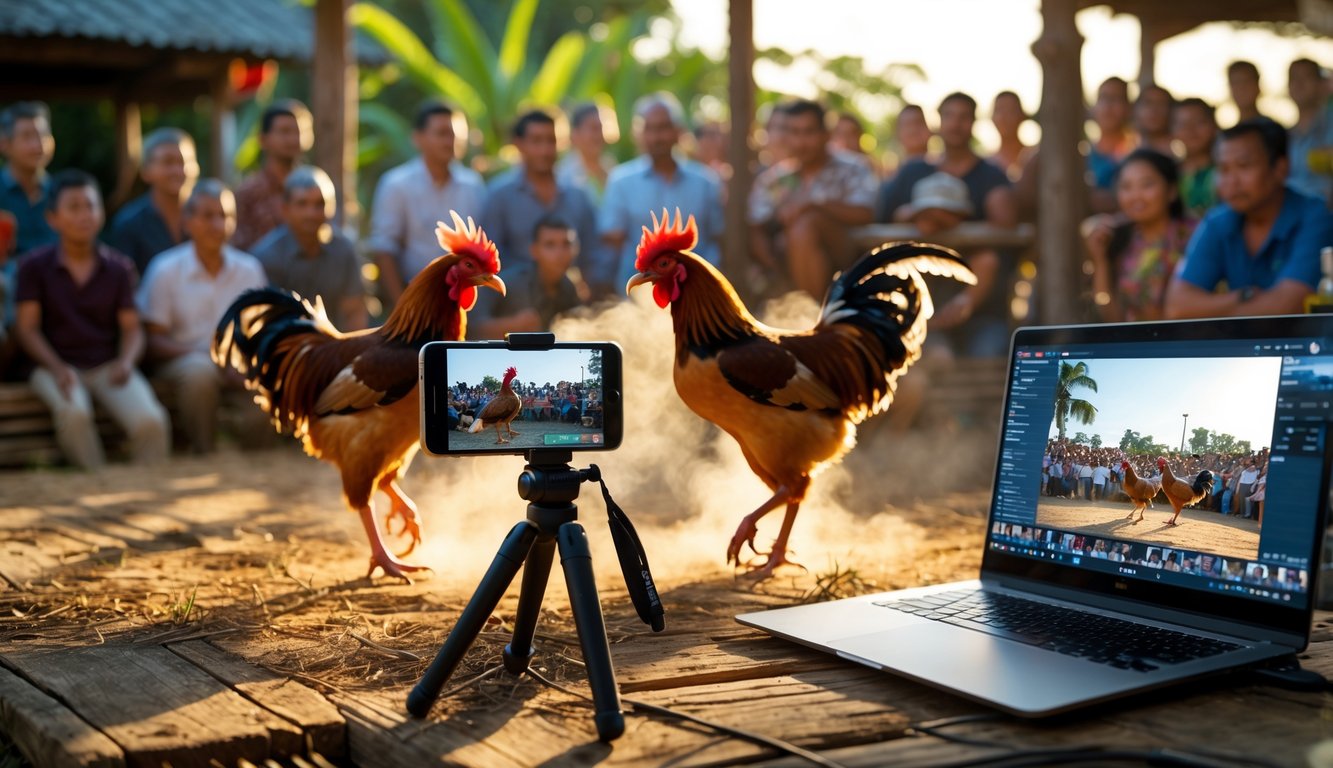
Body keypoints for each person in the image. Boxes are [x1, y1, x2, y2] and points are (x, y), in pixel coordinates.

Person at [13, 170, 169, 468]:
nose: (85, 215)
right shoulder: (33, 266)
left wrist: (126, 362)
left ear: (101, 213)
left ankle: (148, 485)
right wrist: (57, 368)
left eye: (91, 206)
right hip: (52, 366)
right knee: (75, 415)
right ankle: (94, 482)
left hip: (107, 365)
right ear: (52, 218)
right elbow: (26, 329)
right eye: (74, 207)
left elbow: (132, 328)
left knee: (151, 421)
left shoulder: (119, 268)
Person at [876, 92, 1017, 357]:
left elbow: (1005, 223)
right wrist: (910, 216)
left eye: (963, 117)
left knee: (988, 358)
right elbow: (883, 218)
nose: (956, 124)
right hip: (921, 306)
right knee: (931, 360)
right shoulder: (912, 172)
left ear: (974, 122)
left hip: (983, 313)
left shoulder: (991, 174)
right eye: (949, 116)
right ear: (938, 121)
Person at [138, 180, 267, 454]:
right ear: (187, 222)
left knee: (266, 376)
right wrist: (209, 357)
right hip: (184, 360)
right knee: (200, 372)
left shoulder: (249, 270)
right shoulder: (165, 270)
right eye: (208, 216)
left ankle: (257, 457)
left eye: (225, 216)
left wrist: (244, 361)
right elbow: (154, 341)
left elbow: (260, 334)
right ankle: (204, 453)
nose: (218, 225)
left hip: (237, 362)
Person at [1165, 118, 1333, 319]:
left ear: (1281, 168)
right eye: (1223, 169)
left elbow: (1286, 308)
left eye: (1244, 166)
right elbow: (1177, 307)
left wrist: (1214, 309)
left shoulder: (1316, 217)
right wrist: (1243, 296)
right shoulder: (1219, 221)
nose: (1231, 181)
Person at [748, 99, 877, 300]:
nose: (801, 142)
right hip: (785, 269)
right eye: (795, 132)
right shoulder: (774, 180)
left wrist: (813, 206)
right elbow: (756, 225)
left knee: (806, 224)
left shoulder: (854, 167)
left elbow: (865, 213)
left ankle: (812, 310)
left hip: (848, 263)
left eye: (809, 132)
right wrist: (773, 267)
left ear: (826, 135)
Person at [367, 100, 485, 308]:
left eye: (457, 135)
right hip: (412, 297)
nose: (450, 141)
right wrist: (403, 308)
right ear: (418, 138)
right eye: (442, 133)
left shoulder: (473, 186)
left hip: (462, 301)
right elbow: (384, 250)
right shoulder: (396, 185)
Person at [601, 93, 723, 291]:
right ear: (638, 134)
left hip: (696, 290)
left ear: (678, 131)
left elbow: (718, 238)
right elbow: (612, 242)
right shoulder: (621, 181)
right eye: (649, 129)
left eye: (663, 128)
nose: (657, 137)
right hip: (639, 290)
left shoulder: (705, 182)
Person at [480, 110, 603, 296]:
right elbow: (487, 262)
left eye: (551, 141)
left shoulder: (578, 196)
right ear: (518, 144)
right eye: (536, 141)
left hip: (570, 300)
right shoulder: (499, 196)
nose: (545, 150)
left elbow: (592, 257)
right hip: (515, 302)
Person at [251, 165, 367, 331]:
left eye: (320, 204)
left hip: (338, 343)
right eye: (302, 204)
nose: (311, 213)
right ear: (285, 209)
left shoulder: (344, 250)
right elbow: (266, 321)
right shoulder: (267, 256)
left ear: (333, 206)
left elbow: (354, 311)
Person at [1084, 149, 1195, 322]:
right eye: (1126, 187)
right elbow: (1113, 319)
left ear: (1172, 190)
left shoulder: (1194, 236)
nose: (1135, 196)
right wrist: (1100, 261)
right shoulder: (1120, 240)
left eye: (1146, 185)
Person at [470, 215, 585, 338]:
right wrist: (512, 325)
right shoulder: (507, 283)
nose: (560, 253)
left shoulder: (569, 287)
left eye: (567, 244)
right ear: (534, 250)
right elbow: (471, 328)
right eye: (550, 245)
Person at [107, 127, 199, 274]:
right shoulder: (129, 223)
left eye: (184, 161)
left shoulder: (211, 217)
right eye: (168, 162)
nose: (178, 170)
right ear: (146, 171)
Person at [0, 101, 56, 328]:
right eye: (27, 137)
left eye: (43, 135)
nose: (38, 145)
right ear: (4, 144)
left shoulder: (64, 194)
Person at [232, 100, 313, 251]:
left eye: (300, 132)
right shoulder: (248, 194)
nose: (293, 139)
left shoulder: (316, 189)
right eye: (285, 132)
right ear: (263, 139)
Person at [1286, 58, 1333, 204]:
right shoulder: (1286, 135)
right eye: (1293, 78)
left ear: (1321, 84)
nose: (1299, 84)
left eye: (1306, 77)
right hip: (1292, 211)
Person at [1087, 77, 1135, 210]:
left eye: (1116, 99)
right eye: (1103, 98)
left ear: (1129, 108)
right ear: (1093, 107)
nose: (1108, 106)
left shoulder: (1137, 154)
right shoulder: (1081, 155)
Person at [556, 103, 614, 204]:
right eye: (593, 129)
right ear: (575, 134)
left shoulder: (611, 167)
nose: (599, 135)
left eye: (600, 128)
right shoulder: (563, 176)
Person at [1173, 98, 1220, 218]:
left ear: (1214, 125)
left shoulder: (1226, 170)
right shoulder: (1169, 174)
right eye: (1183, 124)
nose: (1191, 130)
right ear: (1173, 131)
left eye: (1199, 122)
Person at [989, 91, 1031, 180]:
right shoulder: (987, 163)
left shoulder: (1033, 158)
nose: (1004, 117)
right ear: (992, 118)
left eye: (1011, 111)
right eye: (999, 110)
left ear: (1022, 116)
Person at [1133, 84, 1175, 155]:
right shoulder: (1123, 150)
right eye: (1148, 103)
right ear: (1135, 109)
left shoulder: (1181, 152)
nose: (1154, 110)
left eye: (1161, 104)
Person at [894, 104, 932, 170]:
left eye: (918, 123)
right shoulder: (895, 175)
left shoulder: (943, 171)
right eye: (907, 125)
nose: (913, 130)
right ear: (898, 133)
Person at [1227, 61, 1264, 125]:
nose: (1241, 88)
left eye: (1246, 82)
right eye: (1236, 83)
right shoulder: (1229, 131)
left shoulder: (1272, 128)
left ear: (1257, 86)